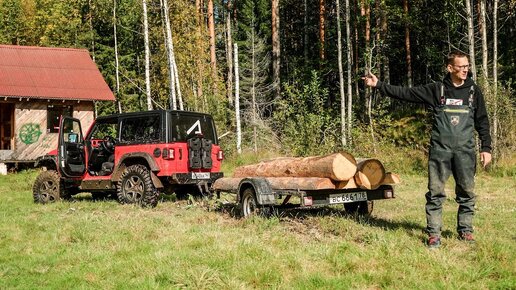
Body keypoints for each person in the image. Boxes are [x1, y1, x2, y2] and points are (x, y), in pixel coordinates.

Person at [363, 51, 492, 248]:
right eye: (461, 66)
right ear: (450, 68)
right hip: (440, 152)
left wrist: (486, 147)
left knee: (466, 192)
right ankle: (434, 234)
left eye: (467, 66)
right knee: (435, 193)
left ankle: (465, 230)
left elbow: (482, 120)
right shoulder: (437, 90)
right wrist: (379, 85)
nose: (465, 69)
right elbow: (407, 93)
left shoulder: (474, 91)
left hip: (465, 152)